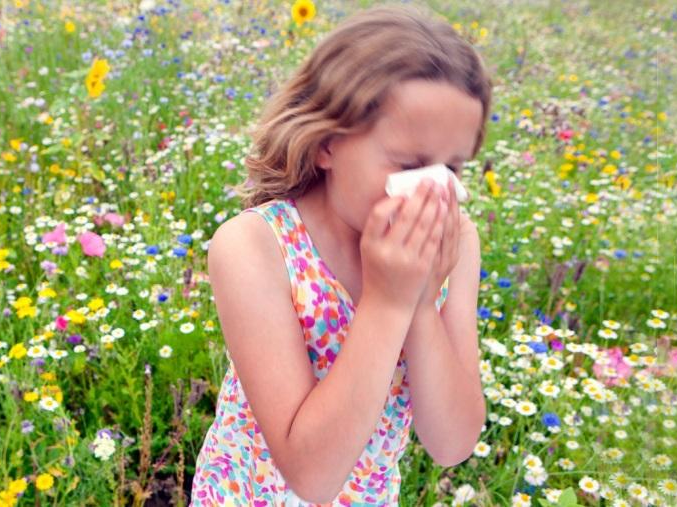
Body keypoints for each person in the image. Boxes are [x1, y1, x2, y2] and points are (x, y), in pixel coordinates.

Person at [191, 4, 491, 506]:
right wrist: (388, 302)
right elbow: (311, 474)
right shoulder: (256, 246)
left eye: (453, 169)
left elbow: (451, 444)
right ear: (327, 142)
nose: (434, 191)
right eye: (410, 164)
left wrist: (419, 304)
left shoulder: (455, 243)